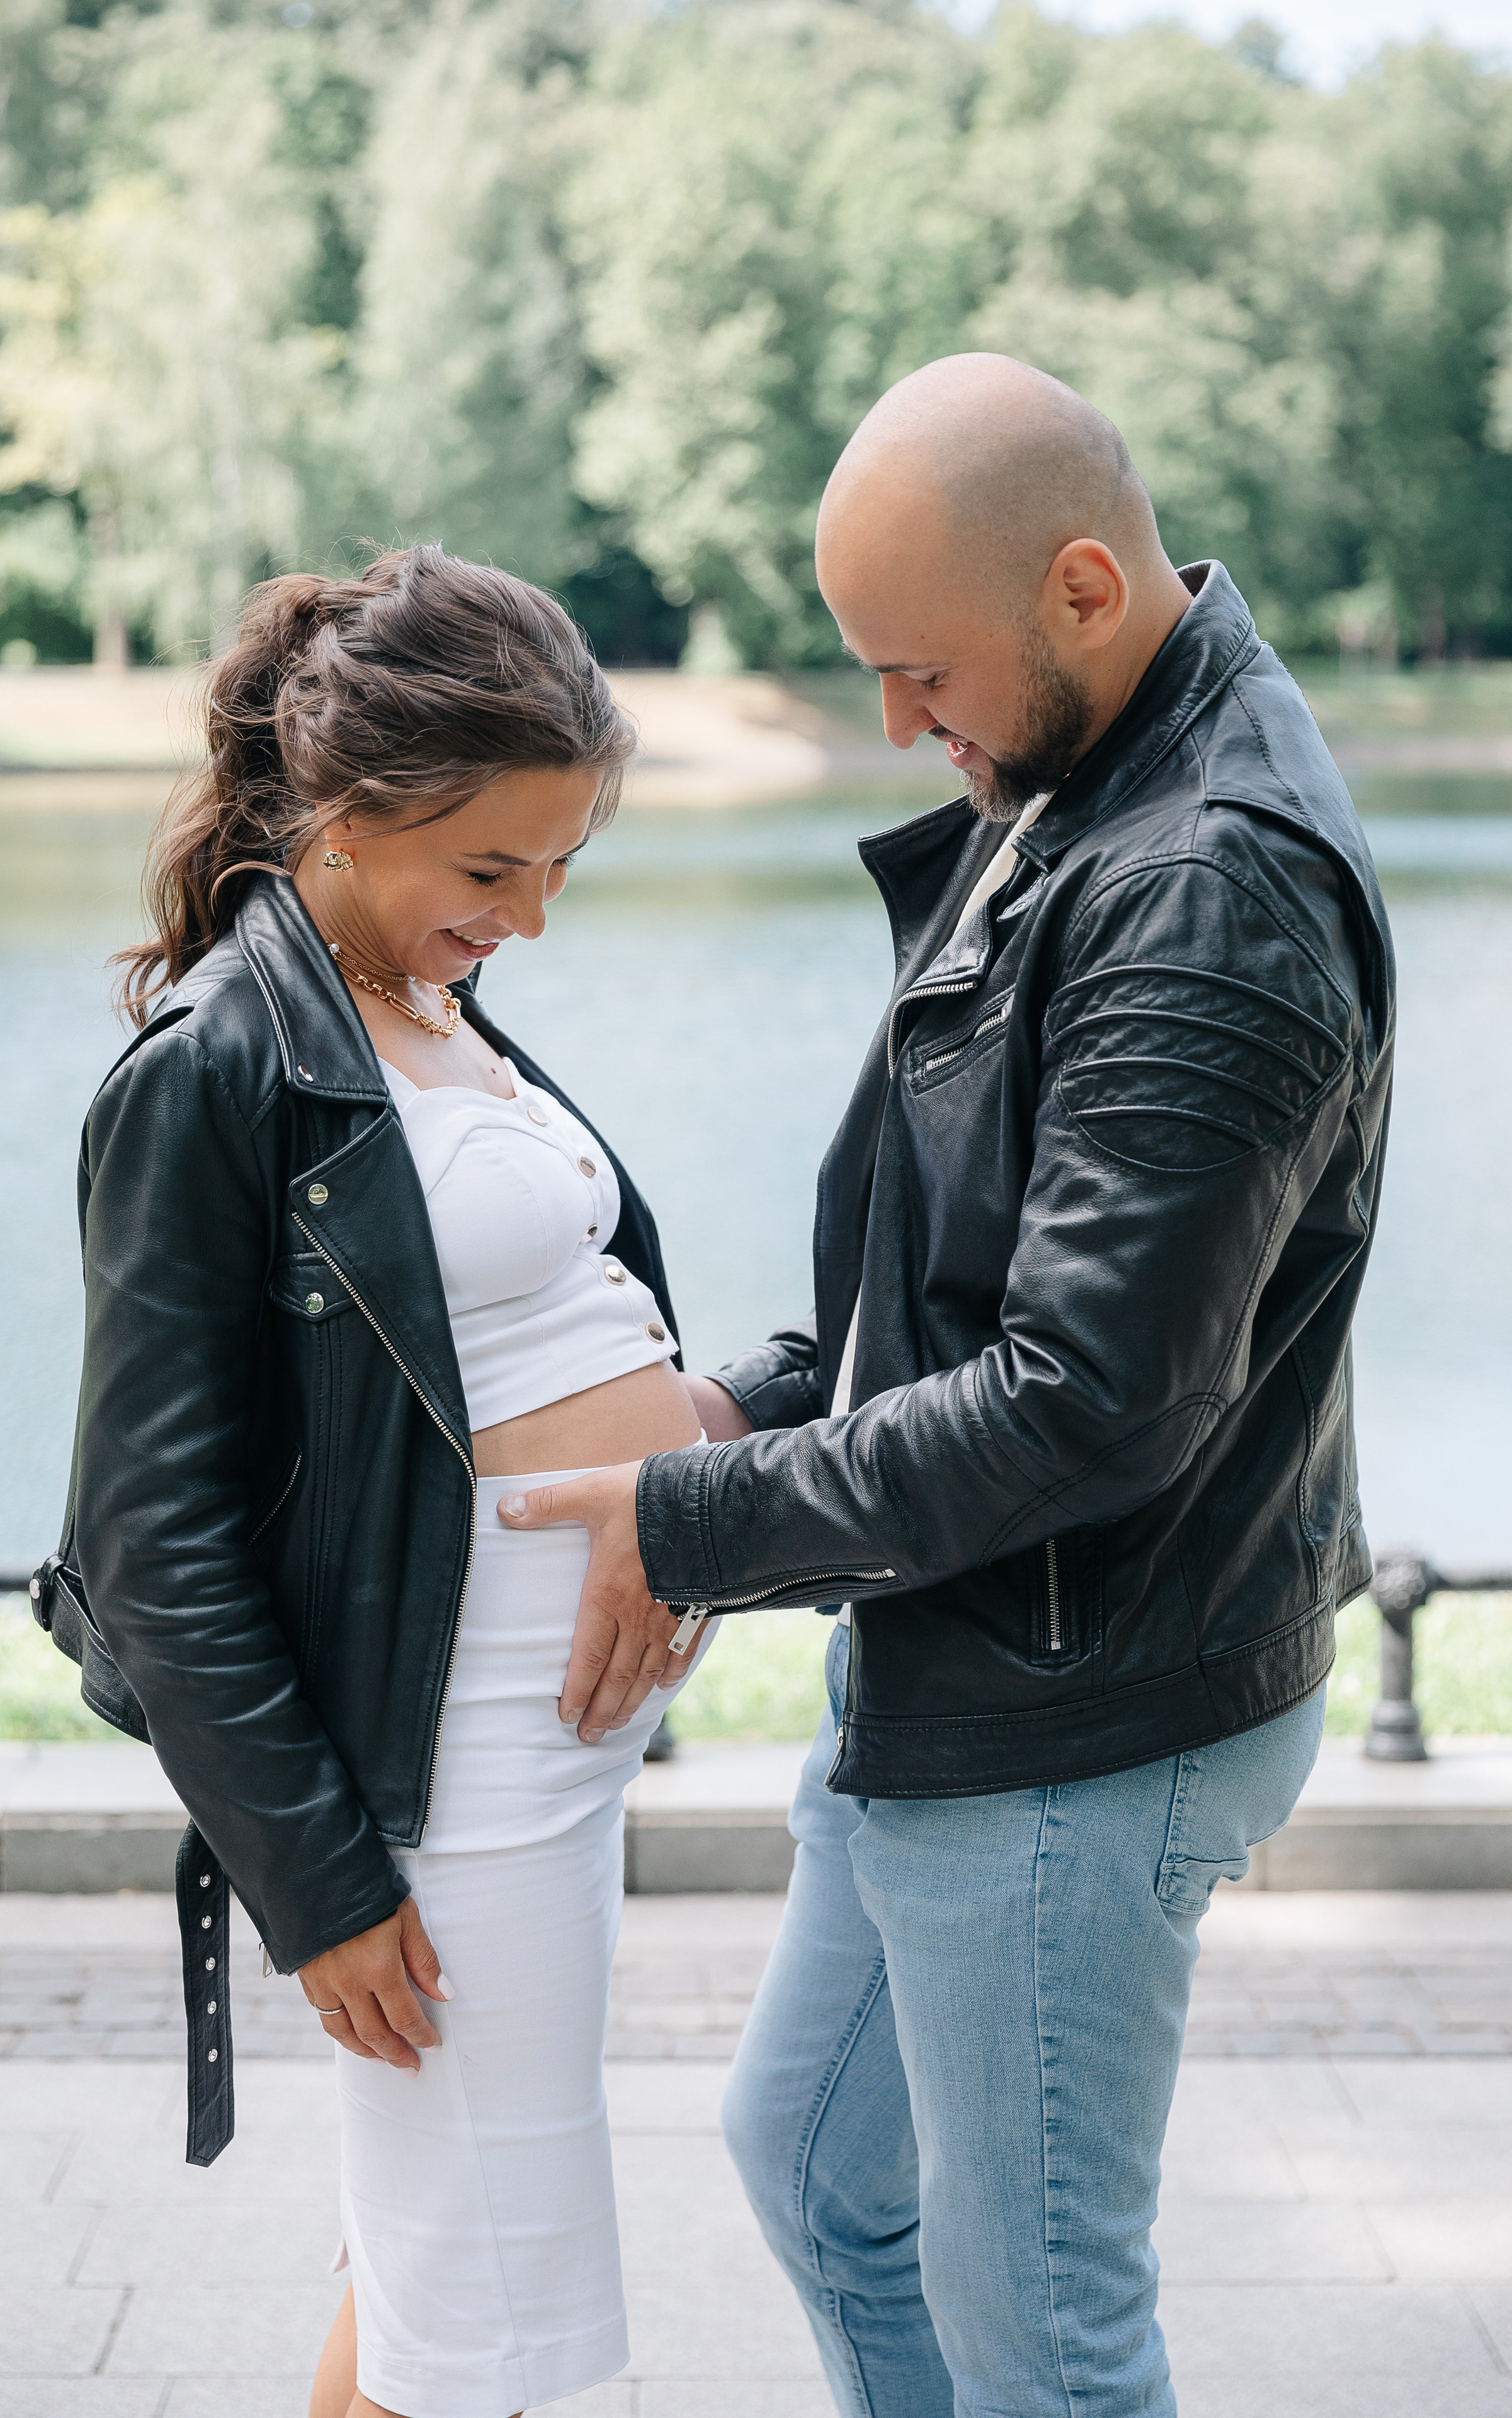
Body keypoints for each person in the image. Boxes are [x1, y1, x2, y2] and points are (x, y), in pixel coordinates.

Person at [500, 355, 1397, 2415]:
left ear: (1085, 585)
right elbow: (969, 1262)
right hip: (968, 1659)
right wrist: (748, 1404)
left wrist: (692, 1522)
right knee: (820, 2181)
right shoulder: (1074, 781)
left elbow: (1090, 1393)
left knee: (1048, 2344)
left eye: (919, 673)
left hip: (1082, 1727)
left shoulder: (1206, 883)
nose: (896, 725)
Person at [52, 545, 720, 2418]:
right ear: (341, 819)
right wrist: (320, 1883)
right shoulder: (218, 1067)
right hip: (450, 1761)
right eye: (490, 870)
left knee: (445, 2270)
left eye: (561, 868)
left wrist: (696, 1467)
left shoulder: (418, 1005)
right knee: (481, 2297)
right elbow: (150, 1531)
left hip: (551, 1738)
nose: (530, 917)